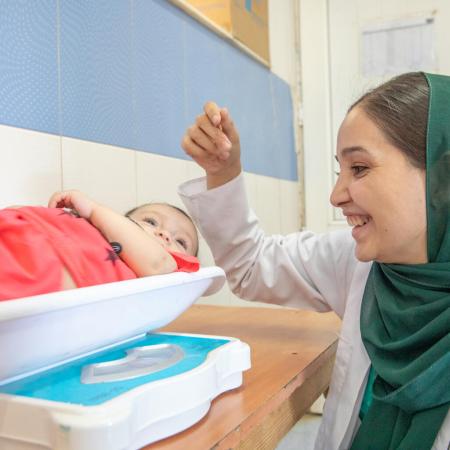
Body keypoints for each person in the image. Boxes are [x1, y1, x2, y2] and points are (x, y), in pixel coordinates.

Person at [179, 72, 450, 450]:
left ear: (442, 180)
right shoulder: (359, 265)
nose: (336, 195)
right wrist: (223, 173)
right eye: (340, 170)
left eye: (359, 168)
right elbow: (252, 265)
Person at [0, 190, 199, 301]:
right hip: (20, 230)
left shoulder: (165, 266)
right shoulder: (99, 228)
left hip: (34, 266)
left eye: (181, 241)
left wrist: (94, 209)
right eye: (151, 221)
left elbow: (158, 265)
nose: (164, 234)